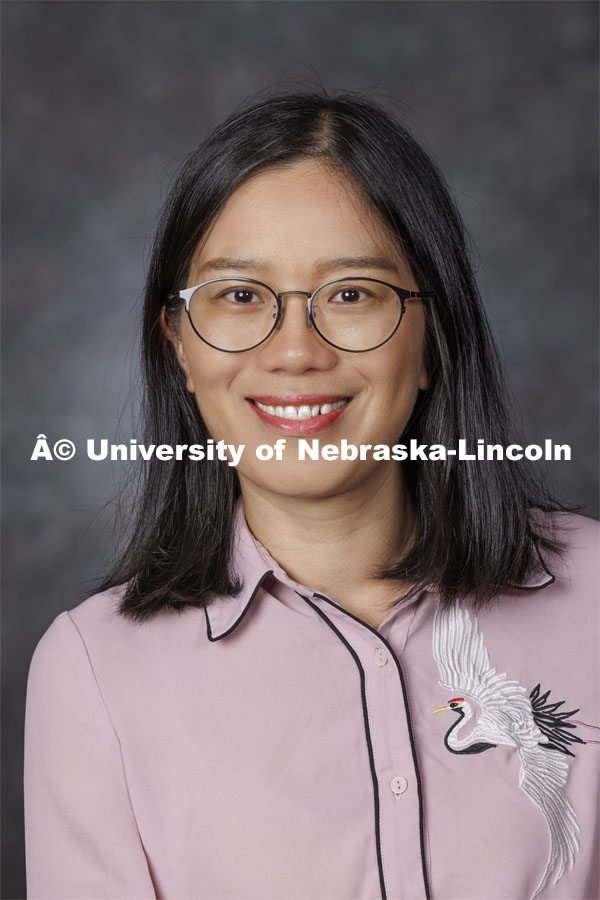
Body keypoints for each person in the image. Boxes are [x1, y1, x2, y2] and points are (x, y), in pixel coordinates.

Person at [24, 92, 599, 900]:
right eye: (240, 297)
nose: (295, 353)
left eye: (353, 294)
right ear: (180, 346)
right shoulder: (91, 672)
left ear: (432, 337)